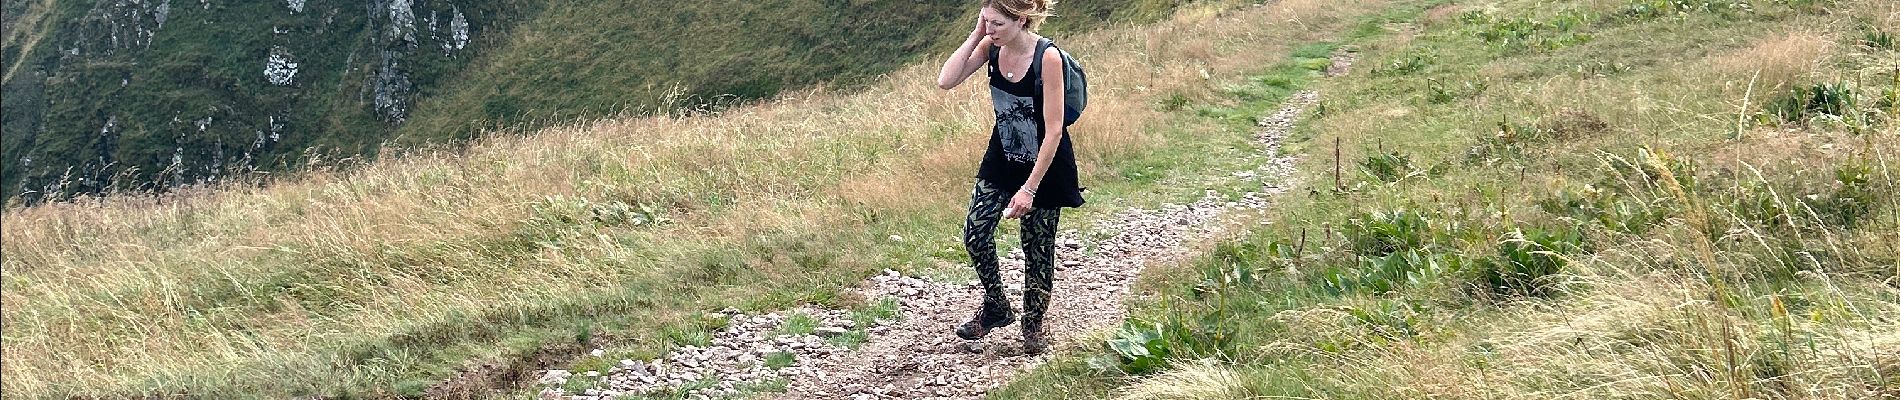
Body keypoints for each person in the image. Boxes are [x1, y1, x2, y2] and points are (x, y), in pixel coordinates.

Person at [934, 0, 1083, 355]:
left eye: (997, 23)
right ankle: (997, 306)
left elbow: (1054, 131)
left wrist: (1029, 189)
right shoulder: (990, 46)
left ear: (1021, 21)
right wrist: (976, 34)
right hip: (1002, 155)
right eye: (986, 21)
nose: (990, 30)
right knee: (975, 232)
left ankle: (1032, 326)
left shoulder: (1047, 58)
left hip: (1044, 164)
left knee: (1037, 247)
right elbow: (946, 80)